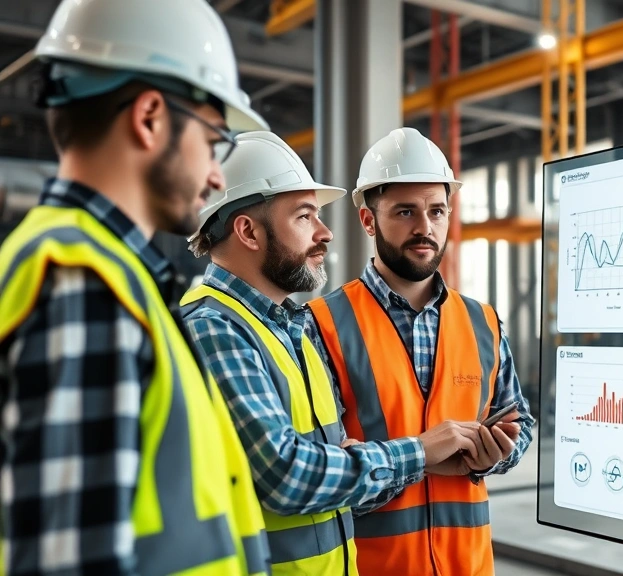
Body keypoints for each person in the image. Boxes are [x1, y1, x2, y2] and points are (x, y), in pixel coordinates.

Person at [0, 1, 272, 575]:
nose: (218, 175)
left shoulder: (109, 275)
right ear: (149, 117)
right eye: (214, 140)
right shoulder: (84, 284)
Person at [181, 131, 490, 576]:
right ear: (247, 231)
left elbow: (329, 467)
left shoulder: (289, 328)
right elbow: (288, 477)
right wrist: (419, 452)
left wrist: (343, 462)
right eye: (305, 217)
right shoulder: (214, 328)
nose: (325, 233)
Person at [307, 127, 535, 576]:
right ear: (369, 221)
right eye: (406, 212)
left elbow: (519, 422)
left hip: (467, 567)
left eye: (437, 211)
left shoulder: (483, 322)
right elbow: (324, 469)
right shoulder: (320, 324)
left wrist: (496, 454)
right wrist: (424, 456)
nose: (424, 227)